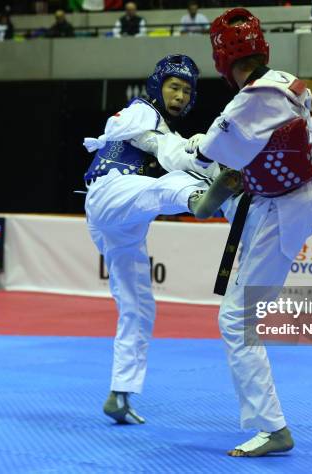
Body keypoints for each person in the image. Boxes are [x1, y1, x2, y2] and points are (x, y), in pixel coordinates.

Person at [184, 8, 312, 456]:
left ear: (221, 58)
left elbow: (213, 154)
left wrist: (172, 146)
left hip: (282, 210)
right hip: (287, 200)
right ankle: (270, 426)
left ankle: (273, 429)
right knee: (240, 310)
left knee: (237, 318)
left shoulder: (251, 99)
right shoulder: (286, 81)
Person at [82, 55, 222, 425]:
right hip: (110, 191)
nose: (179, 96)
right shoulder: (142, 111)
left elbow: (172, 149)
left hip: (122, 223)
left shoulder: (164, 131)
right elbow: (167, 151)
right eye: (173, 86)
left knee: (139, 304)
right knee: (167, 186)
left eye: (186, 91)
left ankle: (120, 393)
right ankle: (198, 200)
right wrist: (204, 154)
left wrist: (203, 154)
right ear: (157, 86)